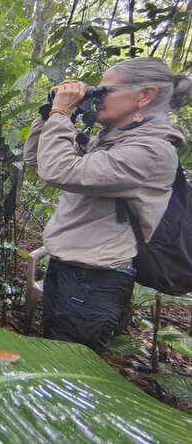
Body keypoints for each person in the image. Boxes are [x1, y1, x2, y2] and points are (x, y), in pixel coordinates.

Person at [24, 57, 188, 354]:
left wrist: (62, 113)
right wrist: (50, 113)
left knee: (70, 371)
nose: (97, 97)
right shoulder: (111, 141)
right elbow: (36, 160)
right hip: (71, 267)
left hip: (95, 278)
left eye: (106, 91)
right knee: (52, 358)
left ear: (145, 95)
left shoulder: (152, 150)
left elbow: (59, 170)